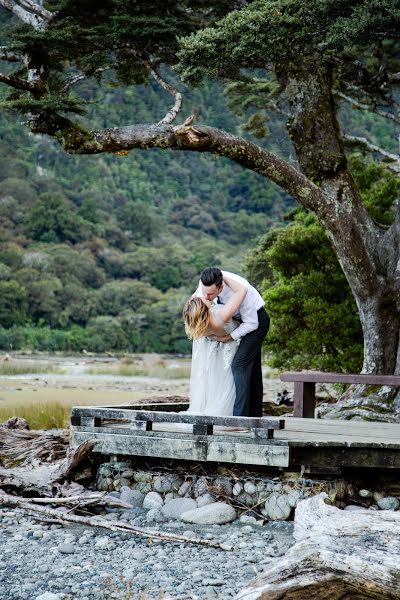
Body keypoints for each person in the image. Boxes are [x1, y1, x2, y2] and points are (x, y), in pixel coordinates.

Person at [196, 267, 269, 418]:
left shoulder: (242, 291)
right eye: (204, 292)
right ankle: (254, 416)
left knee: (239, 365)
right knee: (253, 370)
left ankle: (239, 419)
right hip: (239, 322)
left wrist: (228, 337)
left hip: (257, 323)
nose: (206, 296)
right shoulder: (206, 285)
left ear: (221, 287)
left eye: (210, 294)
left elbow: (252, 324)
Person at [182, 273, 247, 416]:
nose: (205, 297)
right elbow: (242, 290)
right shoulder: (220, 318)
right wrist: (222, 275)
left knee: (215, 381)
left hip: (218, 352)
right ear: (204, 310)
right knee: (229, 382)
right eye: (203, 298)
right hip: (232, 349)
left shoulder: (198, 325)